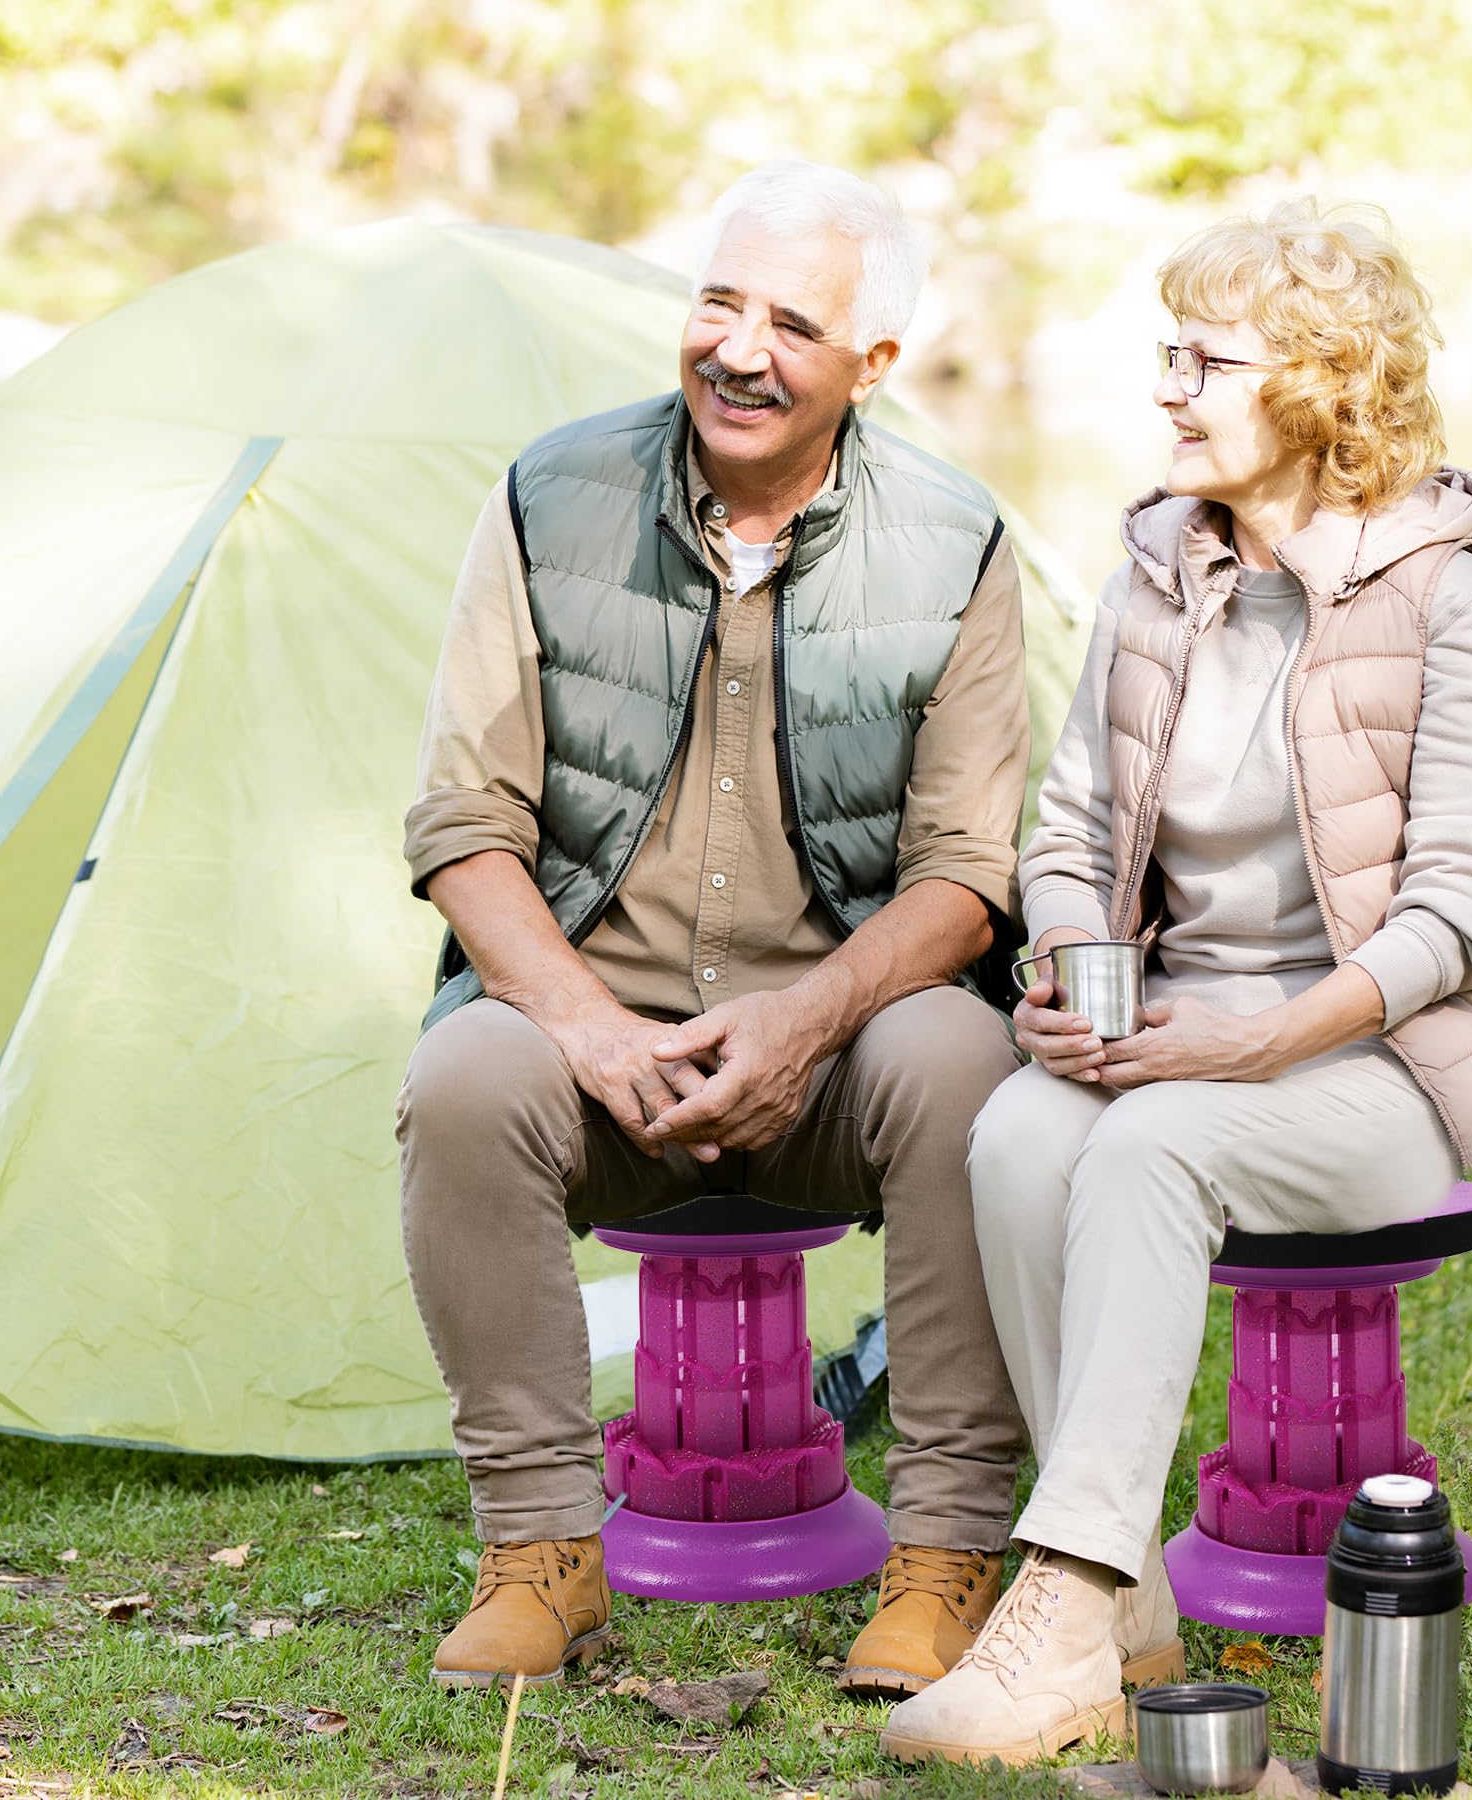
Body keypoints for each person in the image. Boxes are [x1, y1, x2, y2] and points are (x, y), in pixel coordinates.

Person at [883, 200, 1472, 1767]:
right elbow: (1064, 836)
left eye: (1207, 361)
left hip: (1398, 1059)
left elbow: (1463, 911)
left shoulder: (1456, 602)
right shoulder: (1156, 576)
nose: (1169, 390)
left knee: (1149, 1143)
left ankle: (1058, 1602)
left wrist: (1260, 1041)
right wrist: (1064, 965)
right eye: (1165, 355)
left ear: (1321, 385)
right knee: (1014, 1134)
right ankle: (1117, 1623)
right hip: (1189, 1032)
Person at [398, 158, 1041, 1692]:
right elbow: (462, 825)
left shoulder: (955, 541)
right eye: (716, 301)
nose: (738, 350)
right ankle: (546, 1554)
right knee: (464, 1080)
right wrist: (582, 1025)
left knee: (965, 1067)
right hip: (598, 1043)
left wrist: (805, 1021)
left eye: (793, 324)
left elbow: (967, 876)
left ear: (873, 366)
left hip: (838, 1056)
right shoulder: (550, 496)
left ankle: (947, 1557)